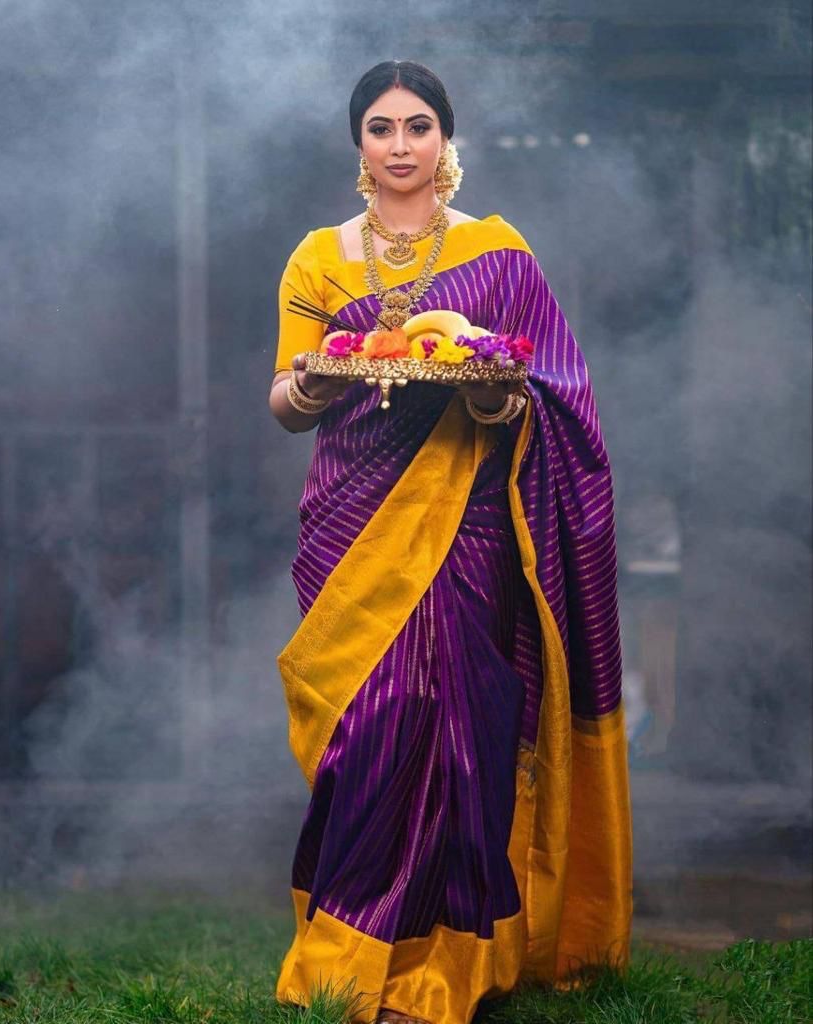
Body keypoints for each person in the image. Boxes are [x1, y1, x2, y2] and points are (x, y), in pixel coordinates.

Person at [268, 60, 633, 1024]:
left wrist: (488, 390)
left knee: (461, 727)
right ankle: (347, 962)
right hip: (352, 525)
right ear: (358, 144)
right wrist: (309, 387)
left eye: (417, 127)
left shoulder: (499, 251)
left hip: (466, 516)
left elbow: (542, 388)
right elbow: (286, 397)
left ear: (445, 139)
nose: (400, 147)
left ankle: (448, 970)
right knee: (370, 727)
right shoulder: (318, 258)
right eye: (381, 128)